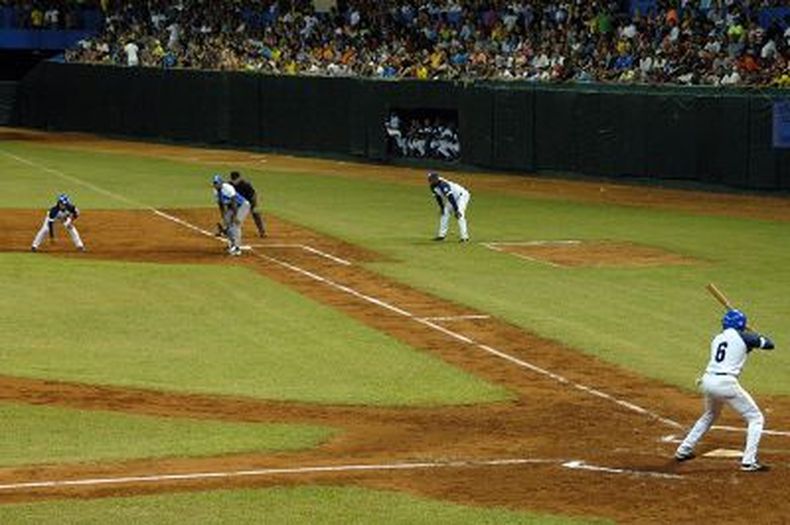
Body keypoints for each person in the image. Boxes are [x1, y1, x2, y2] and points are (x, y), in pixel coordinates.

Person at [675, 309, 775, 472]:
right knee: (755, 418)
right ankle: (749, 461)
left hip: (707, 380)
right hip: (725, 384)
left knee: (710, 415)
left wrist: (751, 338)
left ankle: (683, 450)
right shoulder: (746, 337)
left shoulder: (718, 338)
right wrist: (756, 336)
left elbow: (740, 348)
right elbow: (770, 344)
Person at [211, 174, 250, 256]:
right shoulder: (215, 191)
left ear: (221, 182)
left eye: (217, 183)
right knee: (226, 223)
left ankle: (237, 248)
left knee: (235, 224)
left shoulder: (228, 188)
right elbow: (221, 205)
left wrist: (235, 216)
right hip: (232, 207)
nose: (215, 185)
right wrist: (224, 217)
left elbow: (234, 203)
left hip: (242, 205)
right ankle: (232, 244)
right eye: (214, 183)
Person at [427, 171, 470, 242]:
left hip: (462, 196)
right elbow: (438, 197)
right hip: (453, 198)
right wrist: (442, 208)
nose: (430, 181)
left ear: (436, 178)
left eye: (431, 179)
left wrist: (456, 210)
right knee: (444, 213)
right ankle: (441, 236)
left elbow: (450, 197)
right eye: (429, 179)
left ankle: (465, 237)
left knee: (460, 214)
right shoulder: (432, 186)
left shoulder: (443, 184)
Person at [229, 171, 266, 237]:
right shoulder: (229, 184)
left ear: (239, 178)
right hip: (238, 202)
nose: (234, 181)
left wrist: (255, 206)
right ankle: (229, 230)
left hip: (249, 201)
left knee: (256, 214)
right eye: (233, 179)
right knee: (230, 213)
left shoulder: (246, 184)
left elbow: (253, 195)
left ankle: (262, 231)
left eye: (235, 179)